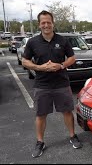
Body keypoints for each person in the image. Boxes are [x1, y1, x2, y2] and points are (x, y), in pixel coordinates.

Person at [22, 10, 83, 158]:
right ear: (39, 25)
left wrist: (61, 65)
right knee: (40, 114)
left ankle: (72, 135)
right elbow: (25, 61)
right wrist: (39, 67)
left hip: (61, 83)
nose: (46, 25)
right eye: (43, 22)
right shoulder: (32, 42)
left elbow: (72, 58)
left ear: (53, 23)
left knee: (67, 112)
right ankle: (40, 142)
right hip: (42, 85)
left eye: (48, 22)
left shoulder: (62, 40)